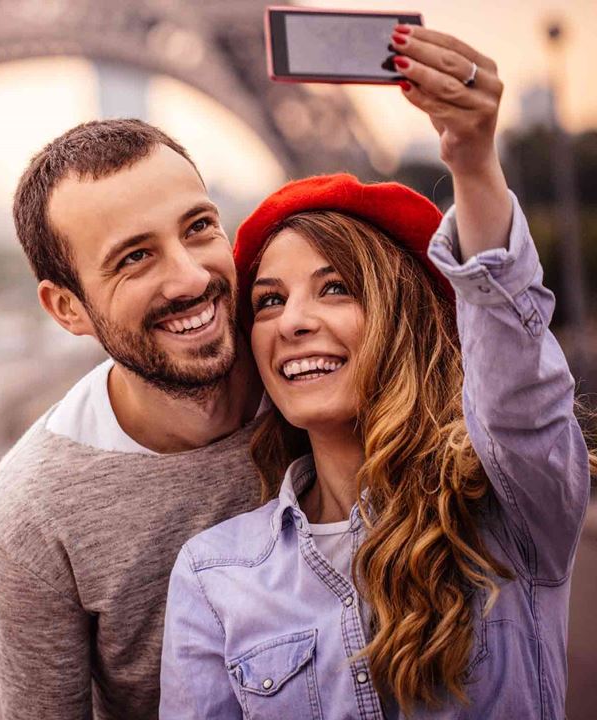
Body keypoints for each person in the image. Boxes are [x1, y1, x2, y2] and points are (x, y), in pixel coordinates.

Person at [160, 25, 595, 719]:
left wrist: (475, 165)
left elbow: (518, 384)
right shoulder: (214, 576)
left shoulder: (509, 508)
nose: (292, 320)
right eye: (268, 300)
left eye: (335, 288)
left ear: (404, 318)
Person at [0, 117, 264, 718]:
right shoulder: (34, 510)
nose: (190, 277)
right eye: (135, 257)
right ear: (67, 307)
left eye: (200, 227)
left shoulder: (322, 382)